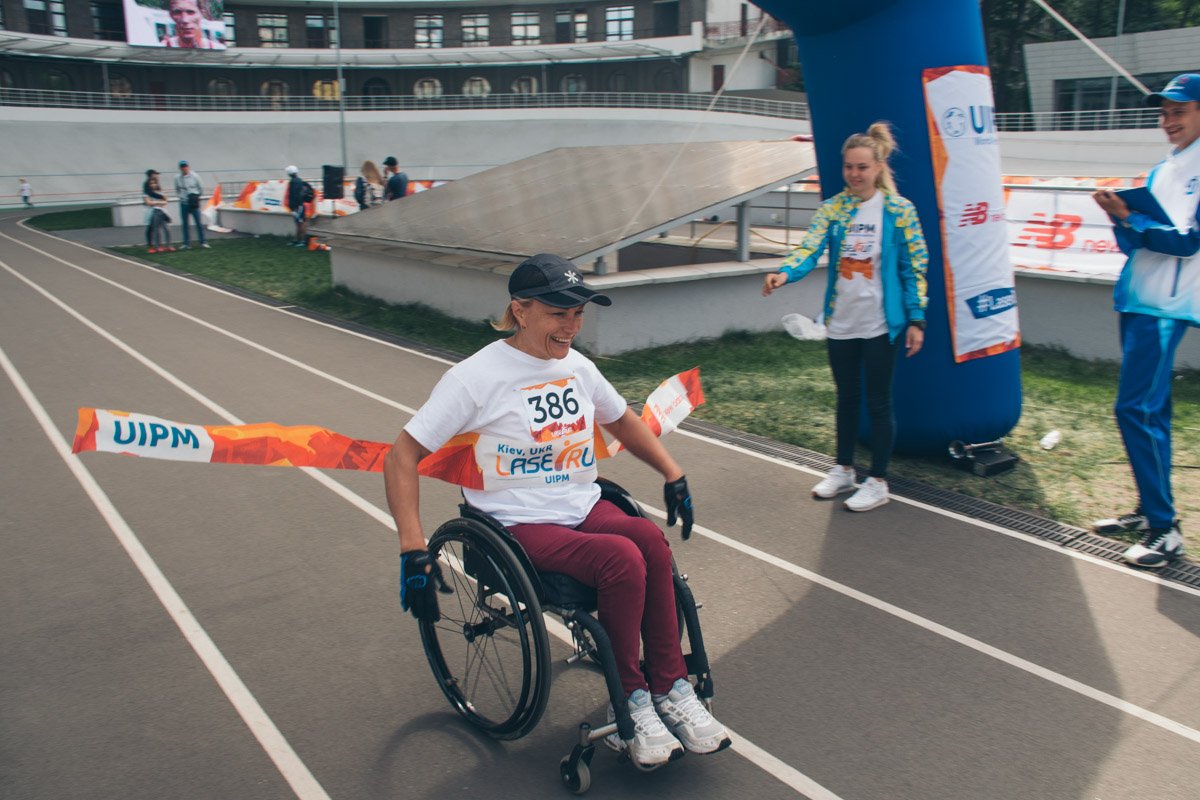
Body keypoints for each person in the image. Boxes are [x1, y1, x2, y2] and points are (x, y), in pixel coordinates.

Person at [383, 253, 730, 770]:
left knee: (650, 542)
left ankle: (671, 685)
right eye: (557, 314)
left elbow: (623, 421)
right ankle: (632, 701)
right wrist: (413, 548)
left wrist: (672, 473)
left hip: (580, 505)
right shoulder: (474, 377)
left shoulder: (577, 367)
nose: (571, 327)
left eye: (579, 314)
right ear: (520, 312)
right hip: (518, 523)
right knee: (620, 559)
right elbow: (401, 457)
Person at [762, 121, 928, 512]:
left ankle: (878, 480)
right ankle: (843, 470)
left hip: (881, 324)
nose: (854, 175)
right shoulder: (833, 209)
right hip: (841, 322)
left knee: (879, 401)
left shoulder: (899, 211)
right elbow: (809, 248)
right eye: (849, 167)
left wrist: (917, 319)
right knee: (847, 398)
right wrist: (784, 274)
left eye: (862, 167)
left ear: (879, 166)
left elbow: (914, 267)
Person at [1090, 73, 1200, 568]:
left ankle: (1165, 530)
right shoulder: (1164, 169)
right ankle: (1149, 508)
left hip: (1167, 306)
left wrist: (1133, 220)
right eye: (1164, 112)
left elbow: (1187, 242)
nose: (1168, 121)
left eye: (1179, 111)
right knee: (1151, 411)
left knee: (1133, 408)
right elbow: (1136, 241)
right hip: (1137, 297)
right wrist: (1119, 215)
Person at [174, 160, 208, 249]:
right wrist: (181, 197)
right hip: (183, 203)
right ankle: (186, 243)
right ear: (180, 168)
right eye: (182, 167)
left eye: (185, 166)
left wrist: (196, 197)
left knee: (198, 222)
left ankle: (203, 242)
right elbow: (177, 189)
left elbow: (201, 187)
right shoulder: (177, 178)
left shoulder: (195, 176)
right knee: (185, 223)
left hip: (193, 202)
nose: (184, 168)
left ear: (188, 167)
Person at [142, 169, 173, 253]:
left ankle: (166, 245)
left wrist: (157, 202)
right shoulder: (146, 187)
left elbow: (165, 201)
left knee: (165, 228)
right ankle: (152, 246)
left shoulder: (159, 189)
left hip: (161, 211)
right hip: (151, 212)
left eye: (155, 183)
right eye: (155, 174)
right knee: (151, 229)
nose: (157, 176)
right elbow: (148, 201)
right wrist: (158, 202)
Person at [284, 165, 309, 247]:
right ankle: (298, 240)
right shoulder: (299, 181)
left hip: (297, 206)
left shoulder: (293, 182)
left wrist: (294, 207)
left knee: (300, 223)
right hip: (299, 205)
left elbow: (294, 195)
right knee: (300, 223)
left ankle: (302, 241)